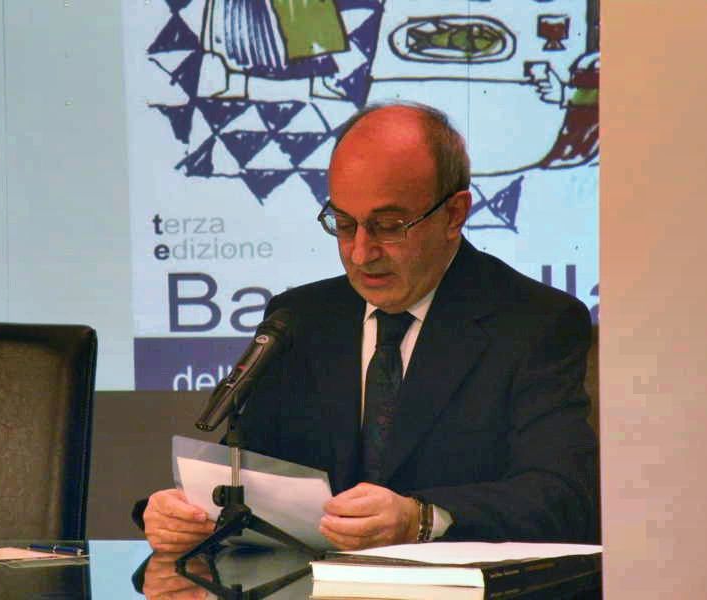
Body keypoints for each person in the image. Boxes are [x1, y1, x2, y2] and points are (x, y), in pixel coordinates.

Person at [136, 102, 599, 553]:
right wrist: (181, 512)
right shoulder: (300, 319)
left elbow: (563, 497)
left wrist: (422, 518)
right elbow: (247, 479)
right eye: (343, 224)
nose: (360, 252)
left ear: (454, 214)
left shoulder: (534, 322)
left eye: (389, 225)